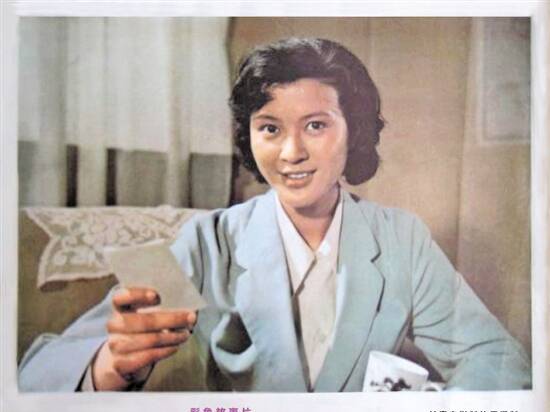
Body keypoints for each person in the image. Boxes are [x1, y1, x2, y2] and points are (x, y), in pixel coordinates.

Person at [18, 37, 531, 392]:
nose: (291, 153)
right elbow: (37, 373)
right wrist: (111, 364)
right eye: (269, 128)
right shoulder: (207, 242)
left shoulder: (401, 239)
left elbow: (498, 361)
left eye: (315, 125)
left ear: (353, 129)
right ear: (249, 135)